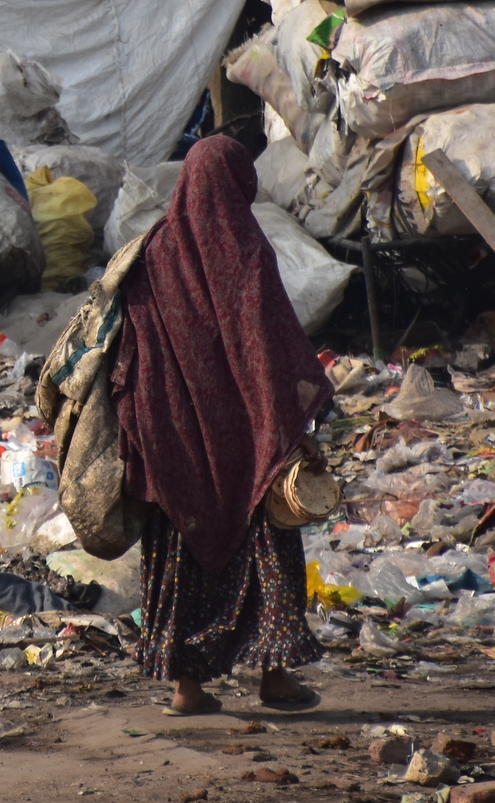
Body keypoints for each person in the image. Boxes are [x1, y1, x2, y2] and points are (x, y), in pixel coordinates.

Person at [112, 135, 332, 716]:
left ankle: (185, 687)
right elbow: (268, 349)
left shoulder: (152, 254)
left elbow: (131, 354)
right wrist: (291, 430)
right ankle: (275, 678)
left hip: (175, 441)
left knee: (180, 556)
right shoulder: (244, 250)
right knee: (266, 550)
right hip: (247, 445)